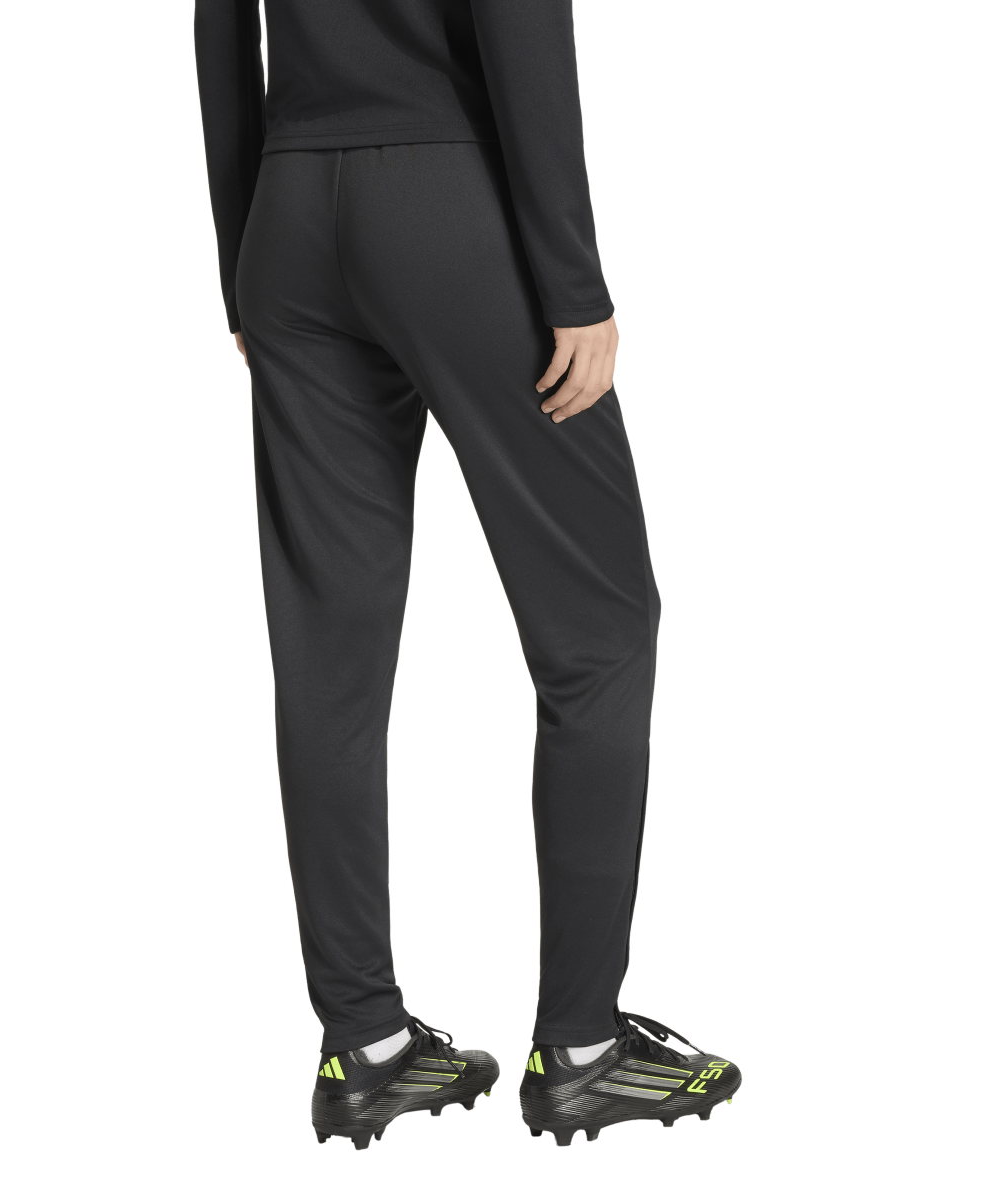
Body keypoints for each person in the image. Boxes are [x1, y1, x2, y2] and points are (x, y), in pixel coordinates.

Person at [194, 0, 742, 1151]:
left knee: (326, 650)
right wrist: (574, 281)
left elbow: (217, 19)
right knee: (599, 627)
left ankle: (363, 1045)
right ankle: (581, 1052)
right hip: (450, 203)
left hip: (286, 215)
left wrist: (240, 256)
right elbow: (521, 20)